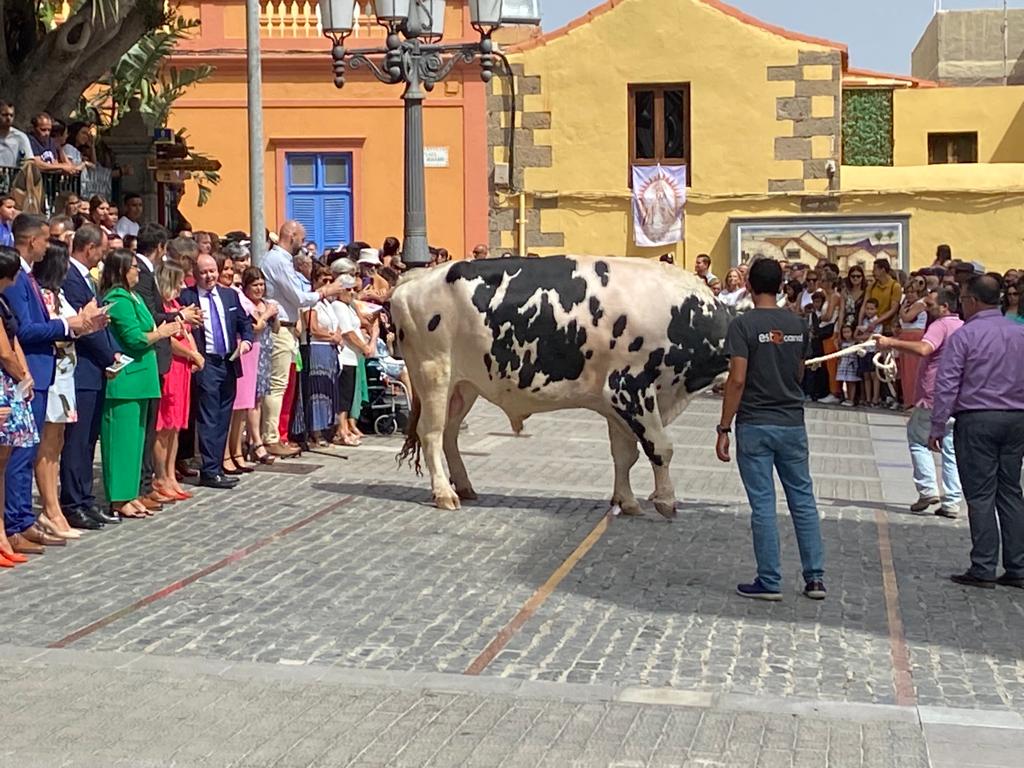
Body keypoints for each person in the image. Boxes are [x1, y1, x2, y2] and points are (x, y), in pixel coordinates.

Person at [716, 257, 825, 601]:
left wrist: (723, 427)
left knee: (763, 504)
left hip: (755, 422)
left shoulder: (742, 325)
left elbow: (737, 380)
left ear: (749, 286)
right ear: (781, 286)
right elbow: (798, 372)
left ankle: (770, 579)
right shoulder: (798, 325)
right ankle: (815, 578)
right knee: (803, 500)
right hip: (792, 421)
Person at [3, 214, 105, 552]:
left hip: (43, 369)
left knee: (29, 446)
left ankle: (21, 520)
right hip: (28, 368)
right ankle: (16, 521)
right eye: (45, 240)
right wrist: (67, 324)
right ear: (32, 240)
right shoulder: (15, 277)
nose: (48, 247)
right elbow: (23, 329)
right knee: (21, 451)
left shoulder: (28, 276)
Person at [930, 275, 1024, 589]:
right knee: (1010, 491)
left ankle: (983, 566)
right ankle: (1017, 565)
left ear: (972, 300)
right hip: (1016, 418)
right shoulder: (1019, 331)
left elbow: (947, 384)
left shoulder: (966, 336)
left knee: (981, 494)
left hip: (977, 418)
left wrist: (937, 424)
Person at [100, 248, 182, 518]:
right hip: (126, 379)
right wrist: (162, 332)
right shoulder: (118, 298)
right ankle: (118, 497)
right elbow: (135, 338)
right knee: (121, 441)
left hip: (143, 377)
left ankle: (132, 493)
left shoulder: (134, 297)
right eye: (133, 267)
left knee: (137, 442)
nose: (137, 271)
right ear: (121, 270)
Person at [875, 288, 963, 519]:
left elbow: (925, 348)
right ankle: (953, 501)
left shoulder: (940, 325)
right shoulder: (962, 326)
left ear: (945, 307)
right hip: (957, 395)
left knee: (917, 438)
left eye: (932, 305)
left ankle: (927, 489)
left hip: (935, 395)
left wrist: (891, 342)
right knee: (950, 447)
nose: (927, 308)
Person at [260, 220, 342, 458]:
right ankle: (271, 437)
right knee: (276, 385)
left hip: (288, 328)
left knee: (282, 385)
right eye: (301, 239)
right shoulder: (277, 261)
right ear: (292, 235)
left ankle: (277, 435)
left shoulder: (285, 262)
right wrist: (325, 291)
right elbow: (297, 297)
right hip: (280, 327)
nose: (303, 244)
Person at [59, 224, 119, 530]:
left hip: (94, 370)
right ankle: (73, 501)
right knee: (78, 441)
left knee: (88, 439)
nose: (103, 255)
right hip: (82, 367)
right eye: (102, 249)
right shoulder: (70, 277)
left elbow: (101, 323)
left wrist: (114, 353)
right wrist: (110, 356)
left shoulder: (85, 278)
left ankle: (84, 498)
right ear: (90, 247)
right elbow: (86, 328)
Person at [180, 254, 254, 488]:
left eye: (212, 271)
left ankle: (217, 464)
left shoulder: (229, 294)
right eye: (204, 272)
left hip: (229, 361)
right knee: (209, 416)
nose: (209, 276)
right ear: (195, 273)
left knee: (223, 415)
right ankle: (210, 470)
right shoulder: (187, 297)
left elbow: (245, 324)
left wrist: (246, 342)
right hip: (206, 361)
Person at [32, 239, 80, 540]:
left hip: (66, 372)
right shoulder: (43, 295)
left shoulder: (59, 295)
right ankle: (50, 507)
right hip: (53, 370)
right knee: (48, 443)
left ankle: (55, 507)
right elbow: (57, 329)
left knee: (58, 439)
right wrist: (76, 324)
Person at [0, 246, 40, 562]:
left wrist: (25, 374)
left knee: (6, 462)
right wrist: (20, 377)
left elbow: (13, 343)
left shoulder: (3, 301)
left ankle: (3, 534)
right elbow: (3, 352)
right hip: (4, 386)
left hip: (13, 383)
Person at [153, 259, 200, 501]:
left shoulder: (176, 304)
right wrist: (192, 354)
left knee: (176, 426)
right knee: (165, 424)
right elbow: (168, 338)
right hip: (171, 367)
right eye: (178, 282)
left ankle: (171, 473)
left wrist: (194, 354)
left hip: (183, 369)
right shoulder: (161, 307)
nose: (182, 286)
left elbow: (186, 332)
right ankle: (160, 474)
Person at [293, 264, 341, 446]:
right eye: (324, 280)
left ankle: (327, 426)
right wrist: (332, 336)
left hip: (329, 348)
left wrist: (336, 335)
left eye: (330, 280)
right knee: (315, 390)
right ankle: (315, 430)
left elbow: (334, 325)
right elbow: (312, 327)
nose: (328, 284)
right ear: (314, 282)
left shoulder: (327, 304)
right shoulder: (310, 303)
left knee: (327, 389)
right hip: (315, 347)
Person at [239, 266, 277, 465]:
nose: (259, 289)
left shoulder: (265, 304)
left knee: (259, 398)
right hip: (252, 351)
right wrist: (266, 314)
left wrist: (273, 314)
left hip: (266, 353)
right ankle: (255, 441)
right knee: (251, 400)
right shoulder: (245, 304)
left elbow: (275, 328)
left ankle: (253, 438)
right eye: (255, 285)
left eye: (262, 284)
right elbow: (254, 328)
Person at [333, 274, 377, 446]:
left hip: (353, 357)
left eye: (353, 289)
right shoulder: (338, 306)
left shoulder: (348, 306)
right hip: (344, 356)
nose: (351, 293)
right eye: (347, 289)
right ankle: (341, 430)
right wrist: (365, 347)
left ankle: (343, 429)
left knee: (348, 395)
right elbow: (348, 332)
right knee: (343, 396)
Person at [896, 275, 929, 408]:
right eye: (907, 292)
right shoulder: (908, 304)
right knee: (904, 371)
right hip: (905, 335)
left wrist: (901, 310)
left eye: (912, 292)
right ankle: (907, 399)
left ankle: (914, 400)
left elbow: (906, 318)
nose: (909, 294)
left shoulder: (920, 304)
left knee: (913, 371)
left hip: (915, 337)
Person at [816, 274, 843, 404]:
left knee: (832, 363)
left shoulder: (834, 296)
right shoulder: (827, 296)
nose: (821, 282)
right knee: (828, 363)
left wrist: (819, 317)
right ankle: (831, 389)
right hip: (826, 332)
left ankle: (835, 392)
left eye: (824, 280)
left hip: (832, 331)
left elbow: (828, 316)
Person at [863, 258, 902, 337]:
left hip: (887, 327)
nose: (873, 272)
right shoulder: (872, 286)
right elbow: (865, 304)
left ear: (882, 270)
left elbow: (893, 309)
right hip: (870, 325)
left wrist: (876, 321)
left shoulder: (895, 286)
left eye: (875, 269)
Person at [855, 298, 883, 407]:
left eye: (872, 309)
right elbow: (856, 335)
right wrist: (861, 334)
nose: (869, 311)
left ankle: (875, 398)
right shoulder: (864, 321)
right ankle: (868, 398)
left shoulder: (878, 322)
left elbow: (873, 336)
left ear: (876, 310)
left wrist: (863, 335)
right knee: (866, 375)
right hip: (864, 351)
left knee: (874, 375)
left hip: (873, 351)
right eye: (867, 308)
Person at [0, 101, 34, 169]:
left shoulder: (20, 137)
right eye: (4, 115)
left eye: (11, 115)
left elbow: (30, 161)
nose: (8, 118)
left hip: (13, 176)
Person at [835, 325, 861, 407]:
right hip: (843, 363)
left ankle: (851, 399)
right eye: (844, 332)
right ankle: (846, 397)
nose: (846, 334)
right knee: (844, 381)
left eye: (848, 332)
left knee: (851, 382)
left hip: (852, 364)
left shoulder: (855, 343)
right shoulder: (842, 343)